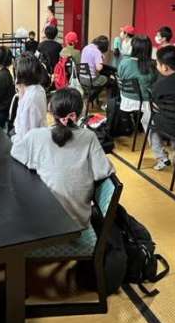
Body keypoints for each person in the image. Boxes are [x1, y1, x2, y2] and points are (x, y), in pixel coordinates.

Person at [11, 88, 114, 228]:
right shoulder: (89, 137)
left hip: (39, 225)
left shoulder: (35, 136)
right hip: (77, 223)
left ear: (51, 111)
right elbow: (104, 171)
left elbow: (15, 152)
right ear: (80, 113)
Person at [118, 35, 157, 130]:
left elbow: (120, 77)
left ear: (133, 48)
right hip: (145, 101)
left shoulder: (124, 63)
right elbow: (155, 83)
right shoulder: (152, 66)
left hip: (126, 97)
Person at [13, 53, 47, 143]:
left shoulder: (31, 98)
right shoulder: (38, 89)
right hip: (35, 137)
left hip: (29, 143)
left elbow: (25, 132)